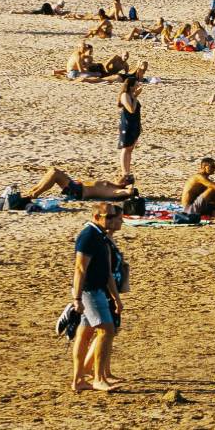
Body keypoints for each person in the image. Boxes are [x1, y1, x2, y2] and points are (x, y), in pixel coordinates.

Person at [69, 203, 125, 393]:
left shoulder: (101, 237)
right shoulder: (88, 236)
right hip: (90, 291)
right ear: (96, 216)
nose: (111, 220)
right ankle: (98, 378)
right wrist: (76, 298)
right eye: (107, 217)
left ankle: (79, 380)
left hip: (99, 290)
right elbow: (80, 269)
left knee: (84, 335)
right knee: (106, 331)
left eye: (112, 216)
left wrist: (116, 298)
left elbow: (108, 272)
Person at [23, 167, 136, 203]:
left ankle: (35, 194)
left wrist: (129, 187)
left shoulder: (114, 191)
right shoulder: (112, 184)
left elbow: (130, 192)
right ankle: (33, 192)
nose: (118, 174)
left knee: (54, 173)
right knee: (53, 170)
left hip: (78, 192)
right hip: (76, 185)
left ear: (125, 183)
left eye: (122, 175)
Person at [116, 75, 143, 178]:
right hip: (127, 124)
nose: (138, 87)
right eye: (136, 85)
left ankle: (127, 171)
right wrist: (135, 97)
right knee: (126, 148)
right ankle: (124, 172)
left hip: (134, 124)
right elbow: (131, 110)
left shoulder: (131, 95)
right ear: (131, 86)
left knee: (130, 149)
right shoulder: (125, 95)